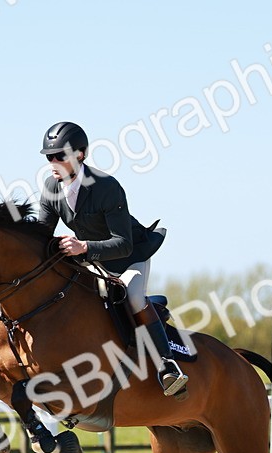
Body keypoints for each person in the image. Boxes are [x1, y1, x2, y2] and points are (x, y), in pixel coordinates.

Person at [35, 121, 187, 398]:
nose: (53, 162)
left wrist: (83, 247)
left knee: (134, 298)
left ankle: (168, 366)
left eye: (60, 156)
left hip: (129, 258)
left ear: (80, 155)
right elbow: (42, 234)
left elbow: (123, 243)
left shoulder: (106, 187)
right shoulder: (50, 187)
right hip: (93, 261)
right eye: (49, 157)